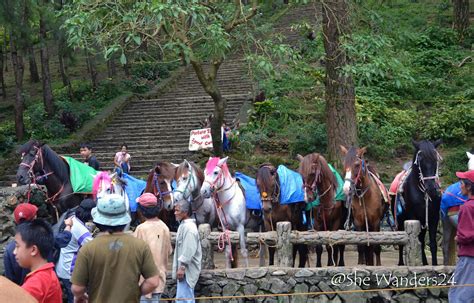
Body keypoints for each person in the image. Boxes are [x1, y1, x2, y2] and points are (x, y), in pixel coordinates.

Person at [71, 194, 159, 303]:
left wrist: (81, 296)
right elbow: (153, 282)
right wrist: (135, 294)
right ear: (124, 220)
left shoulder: (88, 249)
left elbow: (77, 288)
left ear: (98, 220)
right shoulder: (140, 246)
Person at [4, 203, 72, 285]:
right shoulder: (44, 237)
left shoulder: (9, 250)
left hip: (21, 294)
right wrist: (68, 225)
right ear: (35, 217)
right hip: (46, 287)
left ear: (16, 221)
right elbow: (63, 239)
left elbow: (10, 281)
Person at [134, 193, 172, 303]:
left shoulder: (141, 229)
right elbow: (168, 251)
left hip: (143, 281)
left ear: (142, 210)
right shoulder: (164, 227)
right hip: (159, 279)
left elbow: (134, 255)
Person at [55, 199, 95, 303]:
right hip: (70, 270)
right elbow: (94, 248)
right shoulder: (81, 230)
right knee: (74, 299)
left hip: (62, 265)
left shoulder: (73, 218)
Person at [14, 219, 62, 303]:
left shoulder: (35, 285)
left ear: (33, 250)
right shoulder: (48, 273)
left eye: (17, 246)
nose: (14, 252)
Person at [449, 170, 474, 302]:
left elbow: (466, 235)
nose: (460, 185)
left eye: (462, 183)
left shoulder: (466, 207)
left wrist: (458, 238)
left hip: (469, 258)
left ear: (469, 186)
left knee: (458, 296)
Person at [172, 200, 202, 303]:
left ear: (185, 212)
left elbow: (189, 250)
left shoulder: (189, 228)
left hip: (186, 271)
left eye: (177, 210)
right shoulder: (184, 225)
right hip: (184, 270)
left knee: (184, 299)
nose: (175, 213)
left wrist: (182, 267)